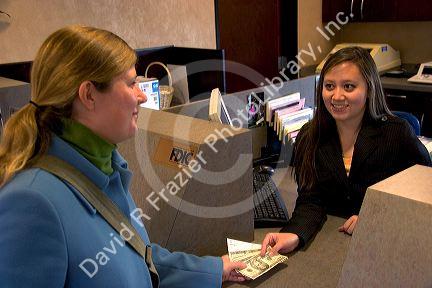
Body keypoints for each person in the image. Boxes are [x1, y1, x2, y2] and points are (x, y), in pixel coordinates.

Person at [0, 25, 246, 287]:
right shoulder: (31, 201)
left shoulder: (106, 167)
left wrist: (214, 269)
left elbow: (139, 256)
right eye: (131, 84)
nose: (141, 96)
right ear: (89, 95)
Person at [261, 47, 432, 256]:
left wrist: (376, 218)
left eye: (349, 86)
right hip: (332, 247)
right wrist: (294, 233)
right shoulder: (310, 135)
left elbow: (424, 194)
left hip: (384, 248)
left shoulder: (396, 134)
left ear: (369, 89)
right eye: (329, 86)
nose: (337, 96)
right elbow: (312, 200)